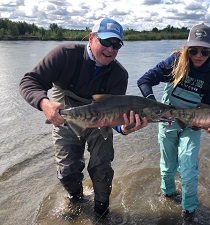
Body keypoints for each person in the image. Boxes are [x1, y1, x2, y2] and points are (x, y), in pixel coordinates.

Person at [19, 18, 147, 219]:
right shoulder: (64, 55)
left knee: (102, 169)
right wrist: (45, 103)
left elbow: (116, 119)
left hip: (100, 123)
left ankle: (101, 212)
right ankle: (76, 199)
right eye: (105, 42)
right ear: (91, 38)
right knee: (68, 171)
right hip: (65, 116)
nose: (111, 49)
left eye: (116, 45)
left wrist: (125, 128)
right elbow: (29, 81)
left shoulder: (119, 75)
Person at [137, 23, 210, 225]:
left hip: (192, 124)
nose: (199, 55)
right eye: (194, 50)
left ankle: (189, 211)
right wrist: (154, 105)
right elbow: (144, 80)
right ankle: (167, 195)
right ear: (187, 49)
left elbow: (208, 108)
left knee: (188, 167)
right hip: (167, 119)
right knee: (167, 166)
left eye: (204, 51)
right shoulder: (175, 62)